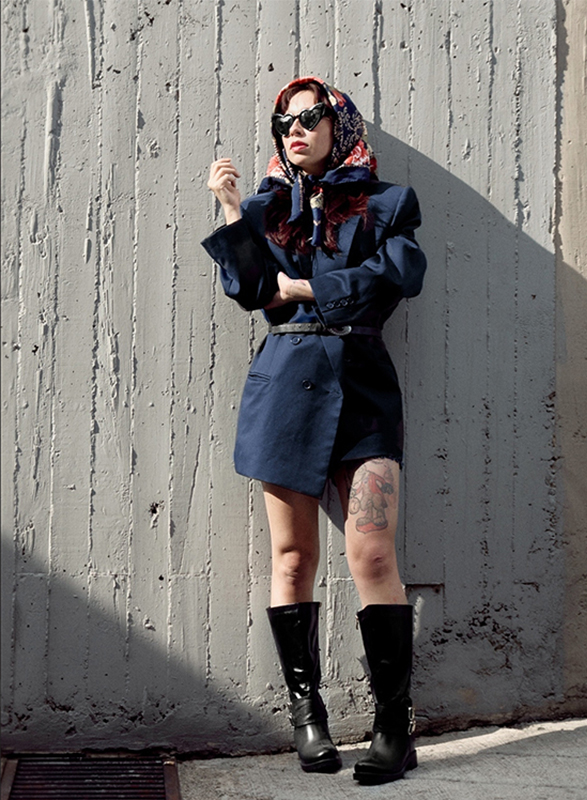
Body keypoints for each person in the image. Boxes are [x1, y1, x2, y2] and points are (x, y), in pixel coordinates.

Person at [202, 76, 426, 785]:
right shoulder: (264, 209)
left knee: (373, 554)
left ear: (340, 125)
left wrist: (304, 288)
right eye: (284, 123)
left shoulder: (388, 203)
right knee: (293, 558)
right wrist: (232, 211)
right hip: (285, 392)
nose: (294, 130)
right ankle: (308, 717)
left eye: (309, 117)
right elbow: (251, 292)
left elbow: (396, 275)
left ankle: (394, 726)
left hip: (364, 394)